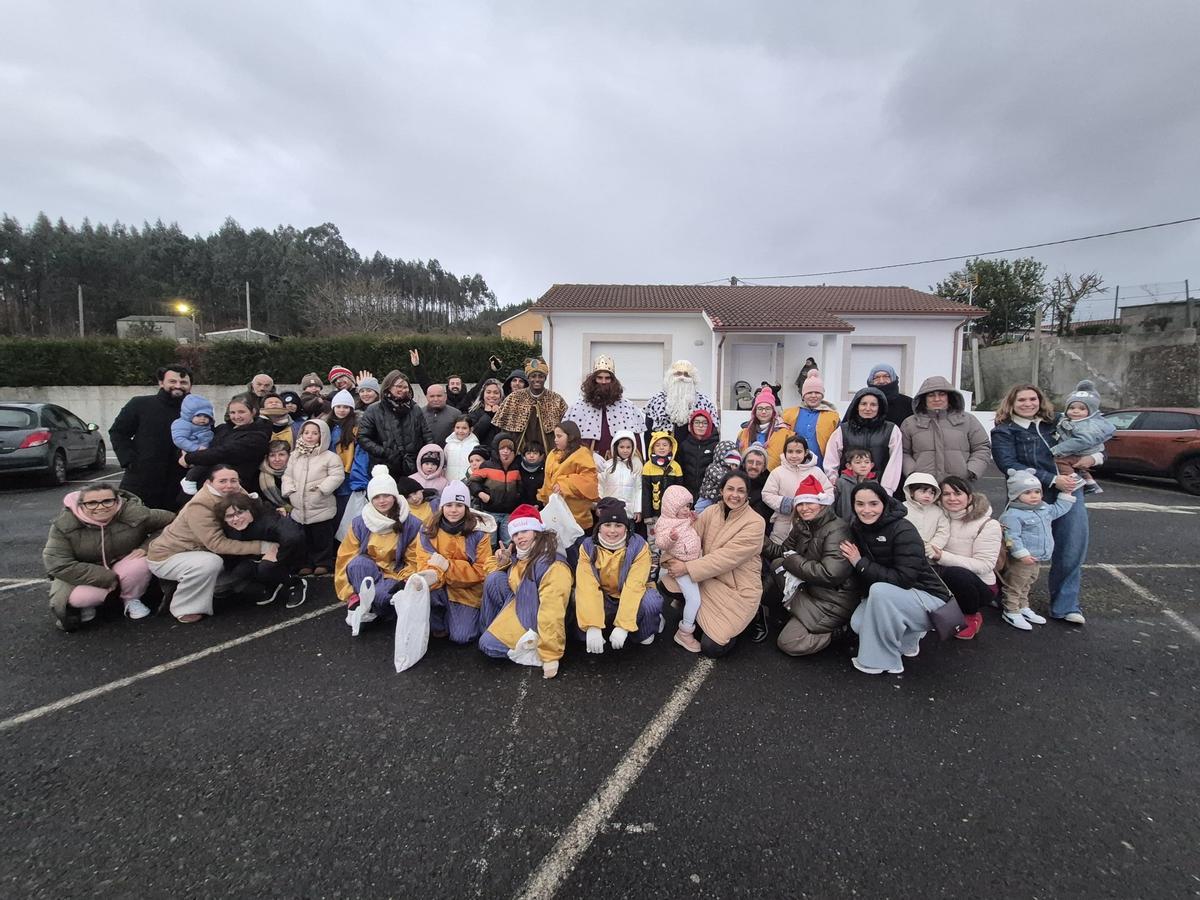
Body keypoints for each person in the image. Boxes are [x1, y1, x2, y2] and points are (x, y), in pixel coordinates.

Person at [991, 383, 1090, 624]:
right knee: (1020, 553)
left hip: (1069, 490)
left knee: (1071, 547)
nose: (1028, 404)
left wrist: (1093, 458)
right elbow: (1008, 464)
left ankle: (1066, 606)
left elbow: (1095, 438)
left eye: (1032, 399)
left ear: (1040, 401)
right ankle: (1013, 600)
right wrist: (1052, 479)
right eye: (1021, 400)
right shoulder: (1005, 431)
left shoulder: (1057, 423)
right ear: (1011, 404)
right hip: (1028, 496)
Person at [840, 482, 952, 674]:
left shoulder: (903, 530)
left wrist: (860, 563)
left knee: (879, 591)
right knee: (859, 623)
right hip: (900, 597)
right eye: (860, 504)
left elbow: (905, 579)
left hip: (931, 599)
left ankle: (882, 661)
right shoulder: (859, 527)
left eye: (873, 504)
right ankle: (909, 637)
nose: (866, 510)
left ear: (884, 503)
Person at [147, 465, 278, 623]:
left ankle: (217, 587)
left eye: (233, 480)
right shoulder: (200, 506)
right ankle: (184, 608)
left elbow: (255, 510)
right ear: (208, 483)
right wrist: (263, 546)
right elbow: (217, 544)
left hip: (198, 551)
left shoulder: (235, 491)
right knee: (210, 564)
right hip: (169, 556)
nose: (229, 485)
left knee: (224, 573)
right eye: (222, 481)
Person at [660, 470, 766, 657]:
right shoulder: (711, 511)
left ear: (747, 494)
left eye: (741, 491)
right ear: (721, 491)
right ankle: (697, 615)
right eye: (730, 489)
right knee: (667, 582)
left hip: (737, 586)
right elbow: (690, 537)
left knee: (712, 648)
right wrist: (672, 552)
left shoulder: (755, 522)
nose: (735, 494)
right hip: (707, 576)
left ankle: (754, 614)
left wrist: (686, 567)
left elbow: (727, 558)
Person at [43, 484, 176, 631]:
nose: (100, 507)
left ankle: (131, 599)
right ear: (81, 505)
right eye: (92, 503)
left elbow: (172, 522)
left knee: (139, 564)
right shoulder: (64, 525)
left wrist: (147, 546)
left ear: (117, 500)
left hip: (124, 565)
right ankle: (90, 605)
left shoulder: (134, 513)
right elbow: (57, 563)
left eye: (107, 501)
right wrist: (106, 577)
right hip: (86, 572)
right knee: (79, 597)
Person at [763, 475, 856, 657]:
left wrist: (792, 560)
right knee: (776, 566)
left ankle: (840, 631)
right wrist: (758, 538)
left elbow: (831, 574)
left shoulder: (837, 529)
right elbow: (782, 553)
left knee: (788, 643)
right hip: (810, 589)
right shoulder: (802, 525)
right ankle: (795, 615)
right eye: (800, 504)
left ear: (822, 504)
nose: (804, 508)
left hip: (832, 599)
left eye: (809, 503)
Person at [478, 505, 572, 679]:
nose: (519, 537)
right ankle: (493, 630)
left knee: (488, 646)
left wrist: (551, 656)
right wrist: (503, 562)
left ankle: (534, 644)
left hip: (534, 615)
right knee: (494, 579)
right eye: (515, 533)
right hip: (522, 602)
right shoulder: (523, 554)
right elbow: (492, 573)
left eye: (525, 531)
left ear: (537, 530)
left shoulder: (552, 564)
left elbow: (552, 611)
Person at [338, 465, 431, 636]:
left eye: (386, 495)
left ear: (395, 497)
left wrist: (404, 582)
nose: (382, 501)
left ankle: (377, 608)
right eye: (377, 497)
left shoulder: (411, 523)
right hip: (367, 572)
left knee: (383, 597)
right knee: (357, 563)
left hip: (395, 574)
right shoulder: (360, 522)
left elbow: (415, 559)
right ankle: (361, 602)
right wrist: (349, 593)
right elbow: (346, 557)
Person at [575, 498, 665, 652]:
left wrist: (623, 626)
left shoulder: (639, 545)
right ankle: (600, 626)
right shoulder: (588, 546)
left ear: (626, 528)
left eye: (618, 525)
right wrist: (592, 625)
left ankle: (649, 625)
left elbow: (634, 585)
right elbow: (587, 585)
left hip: (631, 593)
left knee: (651, 603)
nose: (612, 531)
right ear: (599, 526)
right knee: (575, 598)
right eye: (607, 525)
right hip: (604, 595)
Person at [998, 468, 1079, 631]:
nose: (1034, 495)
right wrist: (1021, 554)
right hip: (1022, 559)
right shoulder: (1013, 515)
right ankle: (1011, 610)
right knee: (1015, 584)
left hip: (1036, 557)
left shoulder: (1043, 509)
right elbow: (1011, 537)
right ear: (1015, 495)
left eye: (1037, 491)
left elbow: (1058, 509)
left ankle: (1023, 606)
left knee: (1028, 582)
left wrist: (1066, 495)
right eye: (1027, 492)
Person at [420, 481, 497, 644]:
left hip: (467, 591)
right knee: (426, 590)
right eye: (449, 505)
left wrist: (448, 566)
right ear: (442, 507)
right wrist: (437, 573)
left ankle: (459, 616)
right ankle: (440, 621)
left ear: (467, 508)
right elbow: (423, 562)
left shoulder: (479, 533)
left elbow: (481, 570)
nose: (453, 510)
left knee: (462, 636)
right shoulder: (428, 530)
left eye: (459, 505)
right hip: (439, 586)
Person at [109, 363, 193, 511]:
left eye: (183, 382)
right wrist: (129, 460)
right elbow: (118, 432)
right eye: (172, 381)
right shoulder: (140, 404)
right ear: (161, 382)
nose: (178, 386)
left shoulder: (197, 411)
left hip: (179, 482)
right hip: (142, 479)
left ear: (190, 385)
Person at [930, 475, 1002, 641]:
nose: (952, 498)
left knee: (956, 574)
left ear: (969, 497)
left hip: (979, 585)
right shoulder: (938, 518)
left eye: (957, 493)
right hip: (943, 575)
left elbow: (985, 565)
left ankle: (970, 615)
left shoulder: (988, 524)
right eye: (946, 494)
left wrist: (943, 557)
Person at [216, 493, 307, 608]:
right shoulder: (228, 528)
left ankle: (295, 584)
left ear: (251, 510)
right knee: (238, 573)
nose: (235, 519)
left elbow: (293, 537)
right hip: (257, 556)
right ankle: (271, 584)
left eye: (240, 512)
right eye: (229, 516)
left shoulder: (269, 519)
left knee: (266, 567)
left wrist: (278, 556)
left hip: (289, 552)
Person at [900, 376, 991, 484]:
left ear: (949, 396)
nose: (937, 399)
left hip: (958, 487)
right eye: (931, 395)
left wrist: (970, 471)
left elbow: (982, 447)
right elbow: (903, 452)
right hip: (924, 488)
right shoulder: (910, 423)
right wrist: (912, 473)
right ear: (924, 398)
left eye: (942, 394)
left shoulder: (967, 420)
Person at [177, 394, 273, 496]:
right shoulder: (223, 428)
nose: (236, 416)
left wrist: (188, 458)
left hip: (229, 491)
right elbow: (199, 440)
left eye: (241, 412)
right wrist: (183, 452)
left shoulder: (257, 437)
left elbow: (223, 453)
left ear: (253, 412)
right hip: (200, 486)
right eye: (232, 412)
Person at [284, 418, 345, 576]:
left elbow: (337, 476)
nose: (310, 436)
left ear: (322, 435)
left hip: (321, 505)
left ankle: (322, 562)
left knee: (322, 538)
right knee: (303, 538)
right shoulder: (295, 455)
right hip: (299, 507)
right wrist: (289, 491)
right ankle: (305, 563)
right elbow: (287, 475)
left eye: (315, 433)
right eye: (306, 432)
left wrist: (322, 488)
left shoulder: (329, 457)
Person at [823, 387, 903, 494]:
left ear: (880, 407)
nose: (868, 408)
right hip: (847, 487)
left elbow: (895, 462)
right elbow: (831, 458)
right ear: (857, 406)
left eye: (873, 405)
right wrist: (834, 481)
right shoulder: (843, 430)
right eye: (863, 404)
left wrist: (887, 490)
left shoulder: (891, 430)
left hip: (878, 487)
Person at [563, 355, 646, 457]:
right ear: (593, 379)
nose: (603, 382)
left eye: (607, 378)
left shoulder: (627, 406)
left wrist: (635, 462)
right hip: (588, 463)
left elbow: (635, 441)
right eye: (599, 378)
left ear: (613, 380)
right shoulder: (578, 407)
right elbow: (571, 441)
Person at [653, 487, 704, 651]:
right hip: (681, 565)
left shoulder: (684, 517)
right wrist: (670, 538)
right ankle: (685, 631)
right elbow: (660, 542)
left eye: (688, 506)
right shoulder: (664, 523)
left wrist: (693, 519)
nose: (687, 510)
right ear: (672, 507)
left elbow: (688, 524)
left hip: (692, 560)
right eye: (682, 507)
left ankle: (678, 600)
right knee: (695, 599)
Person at [761, 435, 834, 544]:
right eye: (790, 451)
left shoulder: (816, 472)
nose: (794, 456)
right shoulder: (778, 472)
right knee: (780, 551)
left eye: (798, 452)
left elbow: (829, 492)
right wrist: (788, 504)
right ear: (784, 452)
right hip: (784, 522)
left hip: (810, 522)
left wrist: (815, 505)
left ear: (805, 452)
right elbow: (767, 494)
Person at [357, 369, 431, 477]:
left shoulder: (415, 409)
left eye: (405, 387)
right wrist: (384, 452)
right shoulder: (374, 410)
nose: (402, 390)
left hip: (412, 467)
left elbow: (426, 433)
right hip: (384, 467)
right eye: (399, 386)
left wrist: (429, 454)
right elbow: (362, 437)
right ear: (389, 387)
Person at [491, 358, 567, 454]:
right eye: (533, 376)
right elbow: (504, 431)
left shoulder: (556, 399)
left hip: (549, 454)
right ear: (528, 378)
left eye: (541, 376)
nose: (537, 379)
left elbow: (565, 429)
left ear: (545, 378)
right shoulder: (514, 398)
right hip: (519, 453)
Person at [1052, 379, 1115, 494]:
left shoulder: (1085, 425)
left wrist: (1057, 449)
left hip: (1080, 452)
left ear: (1091, 411)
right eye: (1071, 408)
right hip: (1082, 453)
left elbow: (1082, 441)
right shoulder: (1068, 420)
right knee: (1080, 467)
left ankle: (1076, 481)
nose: (1075, 411)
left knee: (1060, 460)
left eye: (1081, 409)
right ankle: (1091, 483)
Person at [538, 421, 599, 531]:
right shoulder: (552, 454)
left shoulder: (582, 453)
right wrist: (545, 498)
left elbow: (589, 481)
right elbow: (547, 480)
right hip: (554, 514)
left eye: (559, 436)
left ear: (570, 437)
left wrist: (563, 484)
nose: (555, 439)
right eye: (555, 436)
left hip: (576, 517)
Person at [645, 360, 721, 439]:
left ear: (693, 379)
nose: (682, 377)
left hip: (693, 450)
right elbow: (648, 433)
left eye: (686, 374)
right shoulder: (657, 401)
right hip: (663, 449)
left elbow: (713, 433)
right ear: (670, 377)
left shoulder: (704, 402)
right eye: (678, 374)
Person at [468, 434, 522, 545]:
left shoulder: (516, 468)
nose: (505, 451)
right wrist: (481, 493)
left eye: (509, 449)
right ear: (497, 450)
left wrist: (517, 498)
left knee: (508, 542)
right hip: (490, 511)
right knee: (489, 542)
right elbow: (472, 481)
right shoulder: (487, 465)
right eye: (502, 448)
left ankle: (507, 561)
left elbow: (520, 487)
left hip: (509, 513)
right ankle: (489, 561)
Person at [781, 370, 840, 469]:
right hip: (793, 467)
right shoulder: (788, 414)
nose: (813, 396)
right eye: (809, 393)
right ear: (803, 395)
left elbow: (837, 445)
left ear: (822, 395)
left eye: (817, 392)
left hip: (821, 467)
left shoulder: (832, 417)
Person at [737, 387, 793, 471]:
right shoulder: (744, 432)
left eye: (768, 408)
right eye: (760, 408)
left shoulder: (785, 433)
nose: (763, 412)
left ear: (773, 411)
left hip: (773, 478)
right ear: (754, 411)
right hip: (748, 477)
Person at [595, 431, 643, 527]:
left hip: (628, 513)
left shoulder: (635, 467)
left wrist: (638, 509)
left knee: (628, 538)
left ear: (633, 448)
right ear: (615, 447)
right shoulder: (607, 465)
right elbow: (600, 486)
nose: (625, 450)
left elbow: (639, 489)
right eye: (622, 447)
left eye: (628, 447)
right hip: (608, 511)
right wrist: (598, 506)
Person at [172, 394, 215, 495]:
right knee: (202, 465)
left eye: (206, 416)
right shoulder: (182, 424)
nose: (202, 419)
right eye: (198, 415)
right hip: (192, 449)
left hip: (203, 449)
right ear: (189, 415)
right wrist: (195, 448)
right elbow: (179, 439)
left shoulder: (205, 427)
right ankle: (189, 480)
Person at [901, 472, 949, 559]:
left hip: (929, 553)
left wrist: (933, 546)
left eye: (931, 493)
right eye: (923, 491)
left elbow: (943, 530)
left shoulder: (938, 511)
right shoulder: (901, 508)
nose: (928, 496)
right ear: (911, 492)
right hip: (904, 551)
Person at [677, 410, 719, 497]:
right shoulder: (684, 445)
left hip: (708, 494)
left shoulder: (716, 445)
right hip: (687, 493)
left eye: (704, 423)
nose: (700, 426)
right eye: (697, 422)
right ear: (691, 425)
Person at [832, 449, 877, 521]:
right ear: (849, 466)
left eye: (867, 462)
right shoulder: (841, 483)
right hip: (843, 524)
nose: (863, 465)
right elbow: (833, 504)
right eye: (858, 462)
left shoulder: (874, 484)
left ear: (871, 465)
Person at [695, 442, 740, 514]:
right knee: (699, 510)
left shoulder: (730, 471)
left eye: (736, 465)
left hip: (718, 499)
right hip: (707, 496)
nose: (734, 466)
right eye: (732, 464)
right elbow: (720, 479)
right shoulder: (713, 467)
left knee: (713, 515)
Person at [467, 377, 505, 448]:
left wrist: (498, 415)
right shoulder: (474, 412)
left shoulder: (506, 412)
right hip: (479, 454)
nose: (492, 396)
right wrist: (488, 415)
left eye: (496, 393)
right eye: (488, 392)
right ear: (483, 394)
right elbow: (474, 436)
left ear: (500, 396)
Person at [741, 445, 772, 524]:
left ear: (763, 468)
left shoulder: (770, 487)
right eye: (750, 462)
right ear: (744, 464)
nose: (754, 466)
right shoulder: (733, 481)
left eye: (758, 463)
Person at [443, 416, 480, 482]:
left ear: (471, 429)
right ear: (454, 428)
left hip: (468, 483)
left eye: (464, 428)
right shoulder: (449, 445)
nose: (460, 431)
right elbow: (445, 464)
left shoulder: (475, 446)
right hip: (449, 482)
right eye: (457, 427)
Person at [258, 440, 291, 513]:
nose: (277, 459)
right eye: (272, 455)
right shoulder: (257, 477)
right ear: (267, 457)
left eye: (281, 454)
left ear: (289, 456)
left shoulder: (297, 473)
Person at [518, 441, 545, 506]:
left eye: (535, 453)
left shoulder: (545, 470)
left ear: (540, 455)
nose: (531, 456)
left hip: (539, 508)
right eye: (528, 453)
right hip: (520, 507)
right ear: (524, 455)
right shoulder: (518, 468)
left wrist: (539, 504)